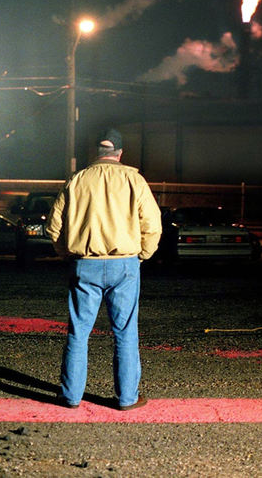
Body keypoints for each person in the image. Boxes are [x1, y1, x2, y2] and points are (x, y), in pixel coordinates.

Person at [46, 128, 162, 410]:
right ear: (120, 154)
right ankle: (126, 398)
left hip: (85, 264)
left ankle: (71, 396)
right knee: (125, 332)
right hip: (125, 264)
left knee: (79, 332)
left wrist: (67, 254)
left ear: (97, 154)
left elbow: (53, 227)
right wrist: (142, 255)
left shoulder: (77, 180)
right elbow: (153, 224)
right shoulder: (134, 179)